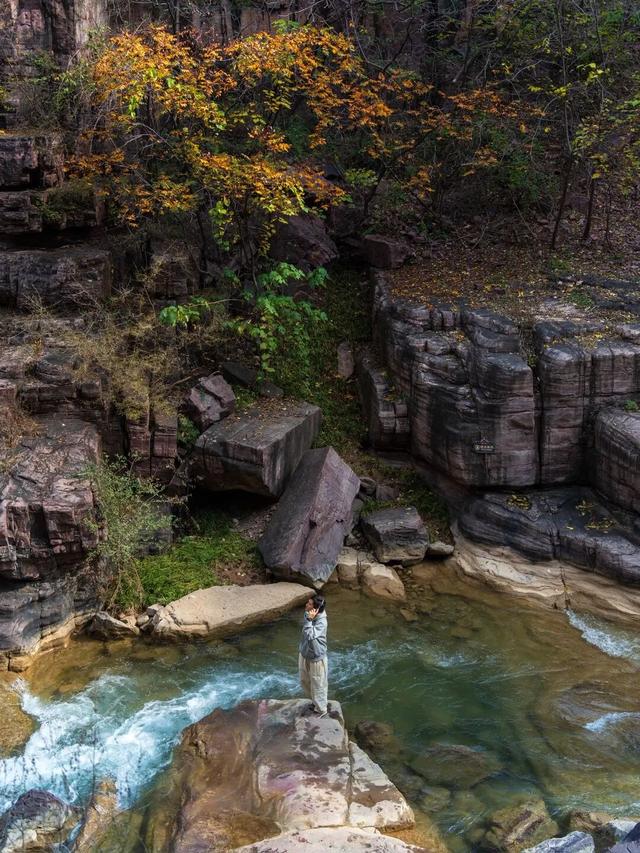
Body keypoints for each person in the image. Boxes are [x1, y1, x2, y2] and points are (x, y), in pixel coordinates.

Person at [298, 594, 328, 717]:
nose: (306, 605)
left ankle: (321, 710)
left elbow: (310, 635)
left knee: (318, 684)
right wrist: (308, 619)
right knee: (304, 680)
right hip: (305, 653)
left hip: (316, 657)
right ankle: (314, 702)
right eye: (308, 602)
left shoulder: (322, 622)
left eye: (309, 604)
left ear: (315, 609)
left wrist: (309, 621)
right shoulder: (308, 614)